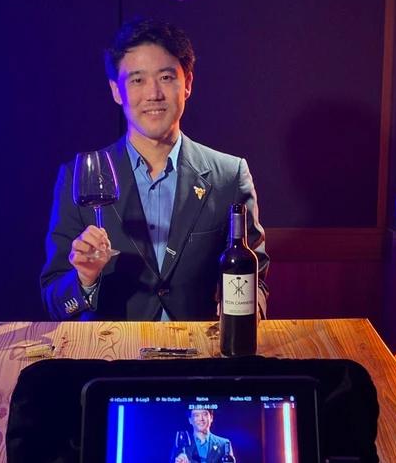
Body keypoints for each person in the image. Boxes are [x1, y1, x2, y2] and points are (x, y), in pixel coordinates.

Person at [40, 17, 269, 321]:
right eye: (137, 80)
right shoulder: (77, 178)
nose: (153, 94)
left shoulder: (229, 175)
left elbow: (256, 281)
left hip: (199, 348)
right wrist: (85, 279)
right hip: (112, 349)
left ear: (187, 83)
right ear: (116, 90)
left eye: (166, 77)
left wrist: (245, 314)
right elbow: (54, 301)